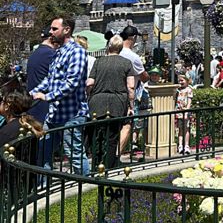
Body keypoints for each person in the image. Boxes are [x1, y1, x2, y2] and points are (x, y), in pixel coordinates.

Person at [30, 16, 91, 175]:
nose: (50, 32)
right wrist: (32, 93)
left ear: (67, 30)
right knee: (43, 152)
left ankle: (87, 186)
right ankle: (43, 190)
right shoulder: (58, 52)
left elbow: (72, 83)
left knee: (74, 154)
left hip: (71, 114)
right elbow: (50, 80)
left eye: (54, 29)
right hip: (54, 115)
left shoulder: (77, 52)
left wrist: (47, 97)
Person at [87, 35, 136, 169]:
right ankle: (108, 166)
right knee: (112, 136)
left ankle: (96, 164)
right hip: (117, 102)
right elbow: (130, 87)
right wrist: (131, 106)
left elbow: (90, 83)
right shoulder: (126, 63)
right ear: (120, 48)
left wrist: (89, 97)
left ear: (109, 46)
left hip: (97, 101)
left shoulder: (99, 62)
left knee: (96, 135)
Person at [118, 25, 148, 156]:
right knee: (127, 125)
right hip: (127, 97)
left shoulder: (113, 51)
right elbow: (144, 77)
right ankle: (115, 155)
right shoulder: (133, 57)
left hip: (111, 94)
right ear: (133, 38)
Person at [26, 29, 58, 126]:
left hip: (33, 104)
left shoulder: (35, 53)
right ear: (51, 38)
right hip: (45, 106)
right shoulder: (51, 54)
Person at [174, 73, 193, 155]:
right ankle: (180, 145)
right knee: (180, 129)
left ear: (187, 81)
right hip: (179, 112)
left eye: (182, 80)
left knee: (186, 129)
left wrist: (187, 111)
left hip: (185, 112)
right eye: (179, 80)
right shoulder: (178, 90)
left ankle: (187, 146)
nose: (180, 82)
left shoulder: (189, 89)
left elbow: (189, 102)